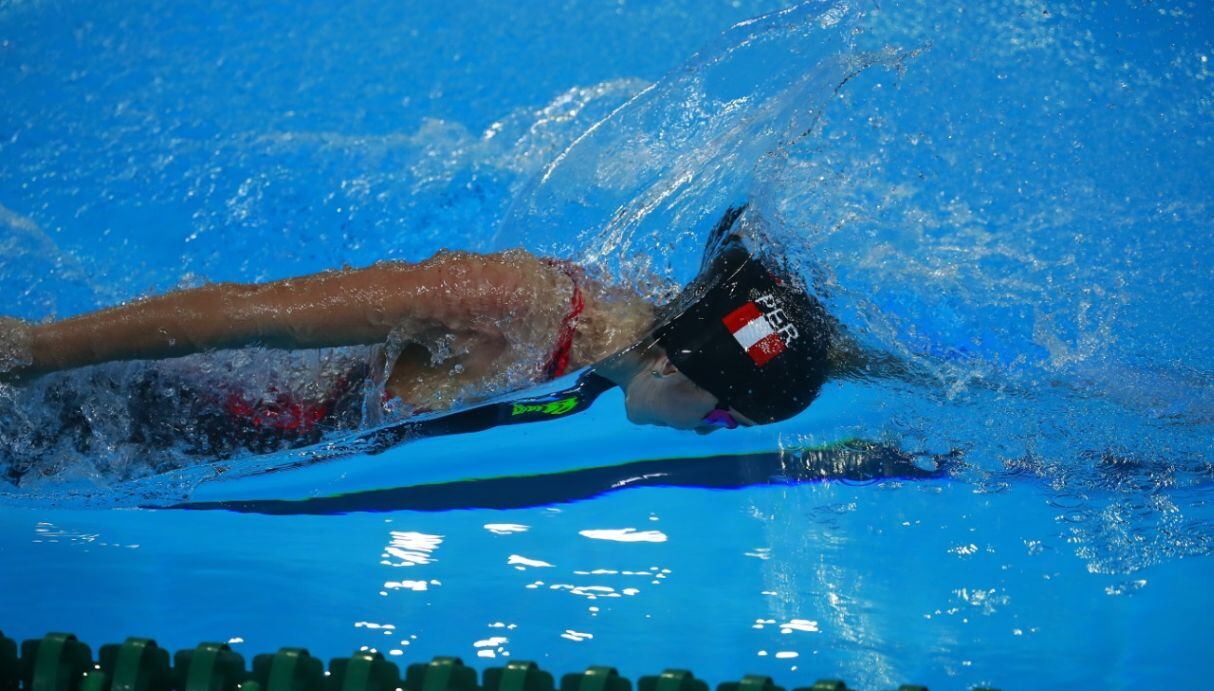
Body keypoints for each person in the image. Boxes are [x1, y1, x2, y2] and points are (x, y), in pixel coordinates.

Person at [0, 205, 842, 458]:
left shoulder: (638, 332)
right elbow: (249, 313)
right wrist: (34, 351)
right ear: (683, 376)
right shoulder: (508, 308)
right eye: (724, 419)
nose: (712, 432)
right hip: (145, 413)